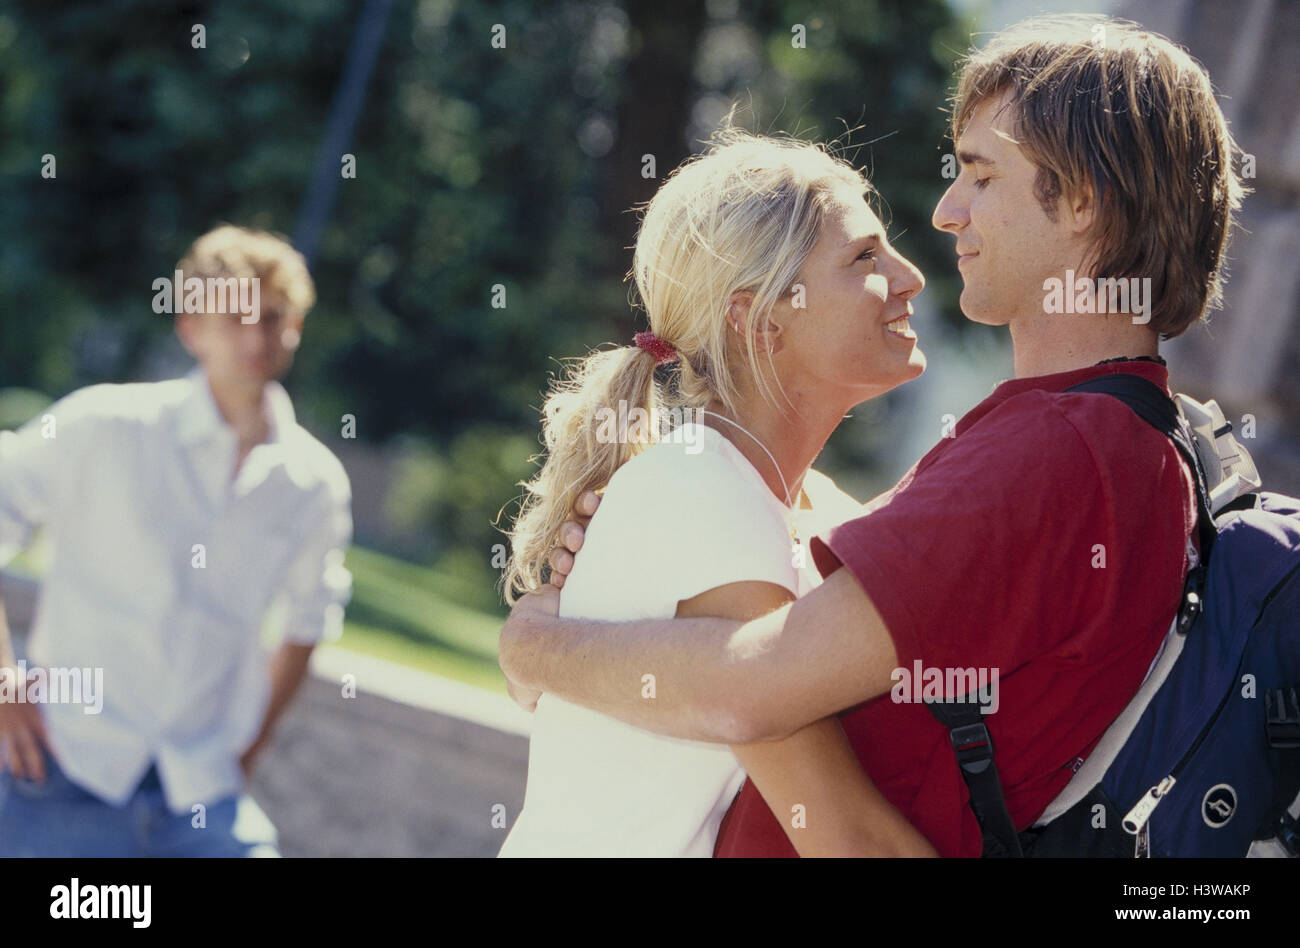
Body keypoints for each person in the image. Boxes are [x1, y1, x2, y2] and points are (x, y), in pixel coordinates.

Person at [499, 14, 1243, 857]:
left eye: (980, 175)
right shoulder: (1109, 439)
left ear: (1081, 199)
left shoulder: (1055, 449)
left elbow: (754, 688)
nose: (948, 213)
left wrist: (540, 643)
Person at [497, 128, 937, 857]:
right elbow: (848, 838)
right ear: (760, 319)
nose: (909, 275)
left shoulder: (808, 505)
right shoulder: (703, 489)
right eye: (864, 256)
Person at [0, 225, 353, 857]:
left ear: (296, 327)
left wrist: (248, 748)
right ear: (191, 327)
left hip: (200, 791)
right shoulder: (105, 425)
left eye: (273, 317)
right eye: (233, 316)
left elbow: (308, 622)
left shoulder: (314, 484)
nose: (255, 336)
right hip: (60, 768)